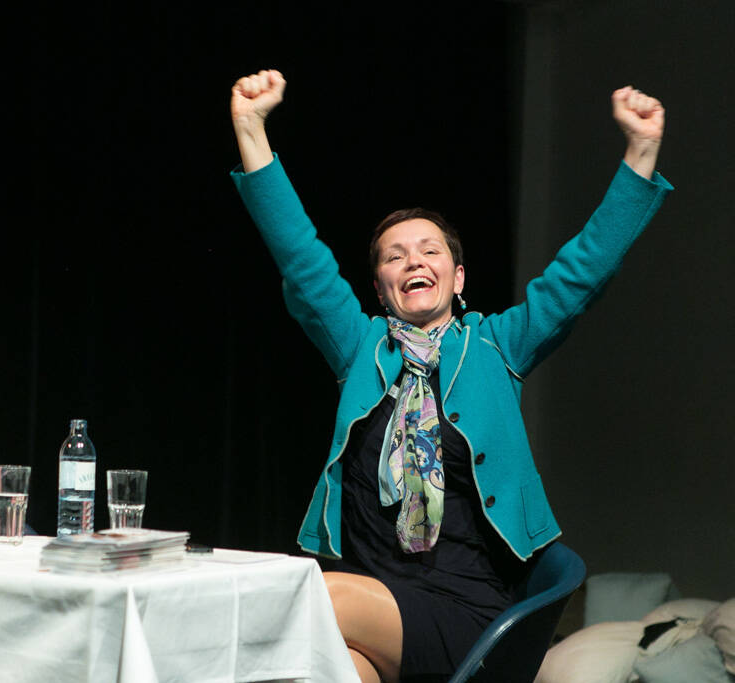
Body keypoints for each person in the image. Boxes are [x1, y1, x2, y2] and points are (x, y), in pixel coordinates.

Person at [229, 69, 670, 682]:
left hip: (466, 609)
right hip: (373, 599)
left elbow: (583, 271)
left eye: (430, 250)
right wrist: (251, 129)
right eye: (395, 255)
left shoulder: (496, 345)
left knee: (314, 595)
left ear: (457, 278)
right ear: (380, 288)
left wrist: (641, 151)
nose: (413, 259)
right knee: (332, 672)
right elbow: (301, 258)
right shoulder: (360, 347)